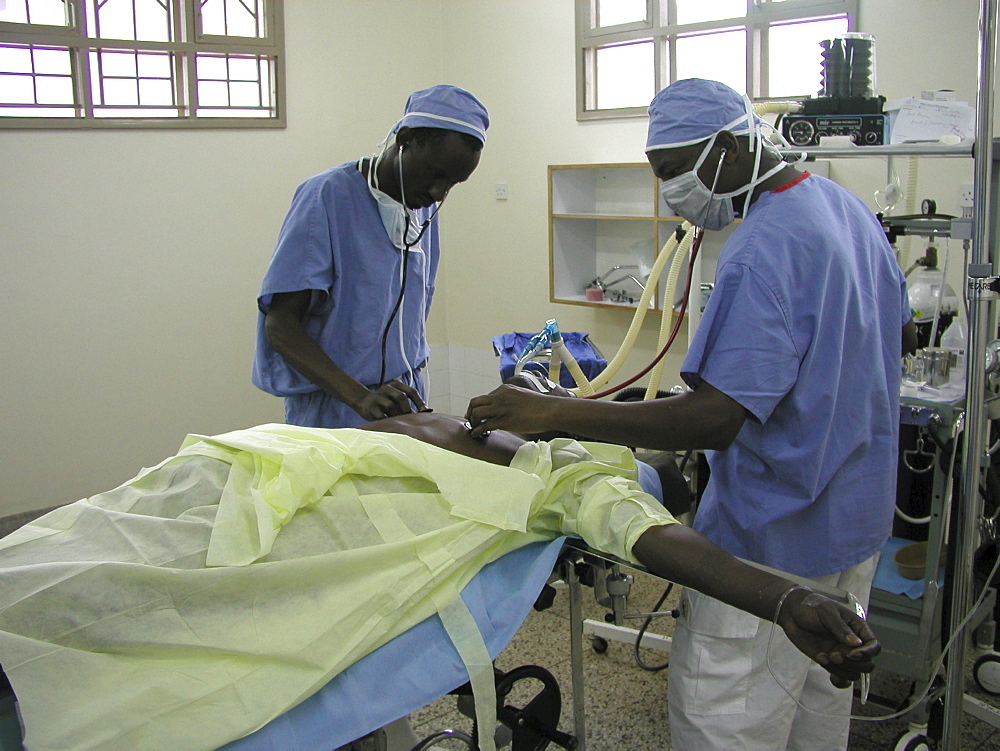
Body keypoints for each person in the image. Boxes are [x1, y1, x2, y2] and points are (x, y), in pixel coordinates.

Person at [466, 78, 917, 750]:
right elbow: (888, 340)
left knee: (725, 719)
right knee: (816, 718)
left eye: (674, 172)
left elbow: (712, 419)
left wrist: (555, 413)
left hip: (772, 547)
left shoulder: (763, 250)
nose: (671, 191)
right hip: (853, 525)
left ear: (730, 150)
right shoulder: (847, 214)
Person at [0, 412, 878, 751]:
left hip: (323, 531)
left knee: (136, 595)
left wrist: (785, 596)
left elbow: (652, 536)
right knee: (97, 534)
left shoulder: (576, 474)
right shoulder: (492, 429)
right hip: (272, 465)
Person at [252, 84, 489, 429]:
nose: (439, 192)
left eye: (453, 183)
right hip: (336, 405)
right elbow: (281, 326)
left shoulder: (422, 206)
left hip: (400, 400)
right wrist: (359, 396)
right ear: (406, 139)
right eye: (437, 174)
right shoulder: (327, 198)